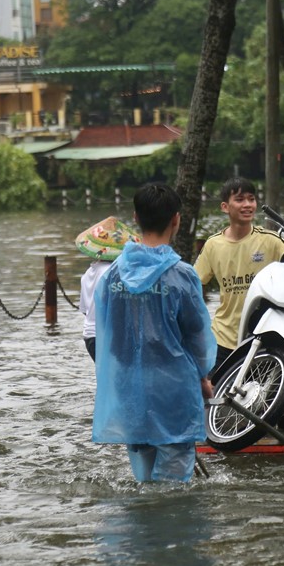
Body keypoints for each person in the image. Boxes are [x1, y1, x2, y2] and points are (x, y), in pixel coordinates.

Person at [92, 183, 217, 483]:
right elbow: (197, 334)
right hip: (173, 389)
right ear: (176, 219)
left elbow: (109, 335)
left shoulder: (112, 275)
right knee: (172, 488)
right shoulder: (182, 275)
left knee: (144, 481)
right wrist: (203, 377)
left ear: (135, 217)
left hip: (130, 388)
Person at [194, 177, 284, 379]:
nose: (247, 205)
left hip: (261, 335)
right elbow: (194, 284)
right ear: (225, 207)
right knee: (210, 397)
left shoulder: (270, 241)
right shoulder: (213, 245)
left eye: (251, 199)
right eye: (239, 199)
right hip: (222, 337)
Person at [75, 216, 141, 361]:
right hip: (108, 335)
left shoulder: (88, 273)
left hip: (90, 335)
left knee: (107, 377)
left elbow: (85, 310)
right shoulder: (113, 273)